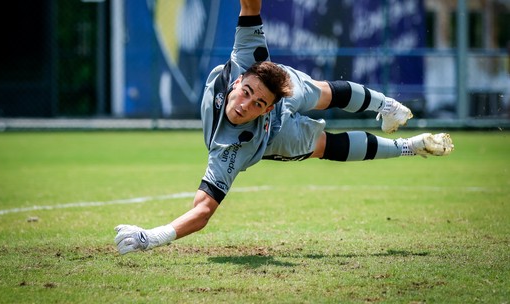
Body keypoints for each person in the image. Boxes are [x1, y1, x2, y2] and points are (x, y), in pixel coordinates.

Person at [114, 0, 454, 255]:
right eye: (245, 94)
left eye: (256, 103)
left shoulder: (250, 110)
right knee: (325, 145)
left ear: (269, 104)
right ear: (238, 80)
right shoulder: (237, 119)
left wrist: (152, 237)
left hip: (281, 92)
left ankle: (389, 107)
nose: (245, 105)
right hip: (273, 138)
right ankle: (409, 144)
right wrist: (153, 236)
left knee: (324, 93)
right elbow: (203, 211)